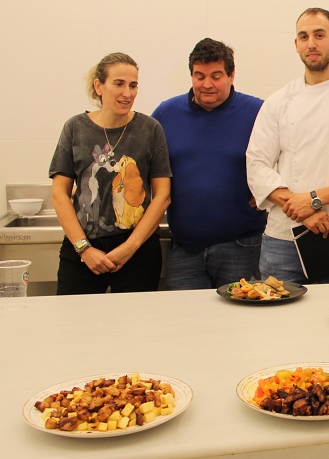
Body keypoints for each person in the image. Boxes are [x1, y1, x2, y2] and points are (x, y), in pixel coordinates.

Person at [246, 7, 329, 284]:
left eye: (319, 35)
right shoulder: (277, 103)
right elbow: (257, 165)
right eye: (303, 36)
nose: (311, 43)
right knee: (278, 323)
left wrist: (314, 200)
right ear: (296, 44)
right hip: (282, 239)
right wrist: (303, 211)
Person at [49, 52, 172, 294]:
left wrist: (130, 247)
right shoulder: (75, 128)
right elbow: (59, 194)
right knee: (74, 325)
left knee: (135, 328)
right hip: (83, 248)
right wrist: (84, 249)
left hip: (138, 250)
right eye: (119, 84)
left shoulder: (150, 129)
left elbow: (163, 195)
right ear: (99, 86)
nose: (127, 93)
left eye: (133, 85)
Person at [152, 38, 266, 289]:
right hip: (185, 249)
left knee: (241, 324)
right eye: (199, 76)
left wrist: (269, 192)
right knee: (186, 325)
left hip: (242, 247)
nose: (207, 85)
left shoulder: (259, 112)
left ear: (232, 74)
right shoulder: (165, 114)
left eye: (216, 76)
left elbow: (289, 157)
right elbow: (143, 165)